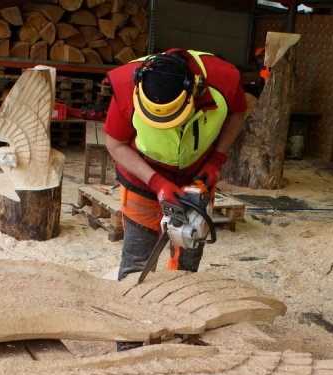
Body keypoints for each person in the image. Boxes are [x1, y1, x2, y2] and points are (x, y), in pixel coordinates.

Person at [104, 48, 247, 350]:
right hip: (142, 176)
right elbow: (115, 144)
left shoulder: (223, 80)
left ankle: (181, 325)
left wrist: (216, 160)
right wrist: (156, 182)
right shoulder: (125, 85)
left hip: (196, 177)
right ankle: (130, 336)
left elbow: (238, 111)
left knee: (188, 256)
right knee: (138, 260)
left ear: (194, 91)